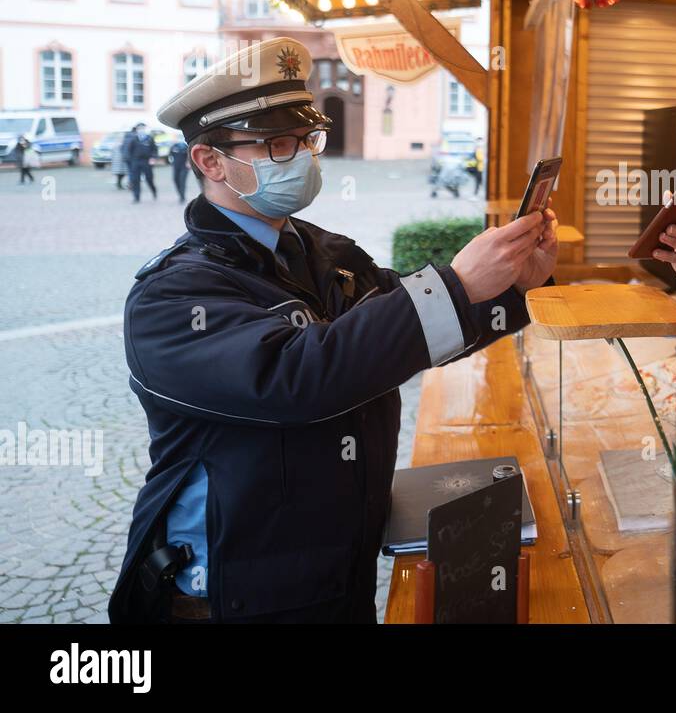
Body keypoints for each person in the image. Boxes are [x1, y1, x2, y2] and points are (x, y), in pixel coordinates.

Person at [109, 37, 557, 624]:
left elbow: (405, 337)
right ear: (209, 162)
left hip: (334, 572)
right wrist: (457, 283)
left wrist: (515, 288)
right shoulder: (172, 295)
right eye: (277, 144)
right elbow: (300, 379)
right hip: (231, 595)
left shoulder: (325, 251)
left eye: (307, 140)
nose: (302, 157)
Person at [124, 122, 158, 202]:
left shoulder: (149, 138)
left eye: (142, 128)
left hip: (146, 161)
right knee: (135, 180)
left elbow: (155, 150)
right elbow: (128, 151)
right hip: (136, 161)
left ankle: (154, 191)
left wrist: (153, 158)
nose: (141, 130)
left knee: (149, 179)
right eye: (139, 129)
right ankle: (136, 197)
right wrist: (130, 161)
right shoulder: (133, 139)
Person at [169, 138, 189, 203]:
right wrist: (171, 162)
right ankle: (180, 193)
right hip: (176, 166)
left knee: (182, 181)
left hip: (184, 167)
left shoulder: (186, 147)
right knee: (175, 180)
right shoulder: (174, 146)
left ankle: (182, 197)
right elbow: (170, 155)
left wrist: (188, 162)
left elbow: (190, 156)